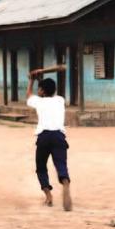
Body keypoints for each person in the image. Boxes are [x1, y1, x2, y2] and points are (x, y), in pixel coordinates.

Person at [26, 69, 72, 211]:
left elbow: (29, 96)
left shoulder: (38, 102)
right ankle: (65, 182)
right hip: (59, 137)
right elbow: (47, 91)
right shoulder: (60, 100)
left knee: (41, 167)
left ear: (41, 91)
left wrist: (32, 80)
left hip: (44, 137)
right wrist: (40, 81)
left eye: (40, 89)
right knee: (60, 164)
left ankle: (48, 196)